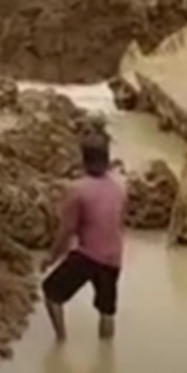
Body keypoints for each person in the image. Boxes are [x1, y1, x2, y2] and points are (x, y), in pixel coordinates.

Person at [41, 130, 127, 342]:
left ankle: (60, 341)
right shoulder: (120, 188)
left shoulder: (77, 190)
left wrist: (51, 258)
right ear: (107, 160)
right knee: (107, 310)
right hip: (114, 257)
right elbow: (120, 224)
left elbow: (67, 230)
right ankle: (106, 353)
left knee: (50, 292)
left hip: (89, 255)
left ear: (84, 160)